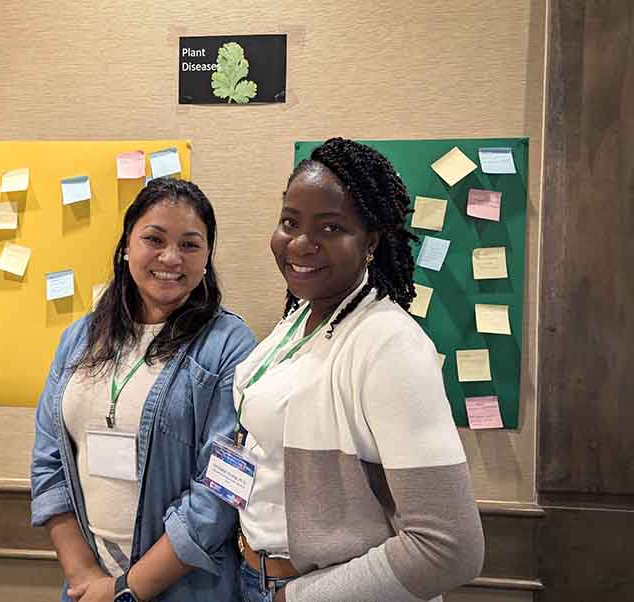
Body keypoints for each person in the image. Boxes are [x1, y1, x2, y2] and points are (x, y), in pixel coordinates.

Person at [233, 138, 485, 602]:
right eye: (290, 222)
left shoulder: (389, 345)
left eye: (330, 228)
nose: (301, 243)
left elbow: (450, 548)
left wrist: (295, 598)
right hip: (257, 575)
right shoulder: (300, 320)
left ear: (369, 242)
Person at [31, 177, 256, 602]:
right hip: (88, 584)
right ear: (126, 246)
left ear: (207, 257)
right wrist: (84, 576)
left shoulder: (230, 345)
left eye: (190, 244)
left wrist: (125, 590)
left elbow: (223, 488)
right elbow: (49, 459)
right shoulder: (78, 339)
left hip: (185, 586)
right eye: (154, 239)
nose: (170, 257)